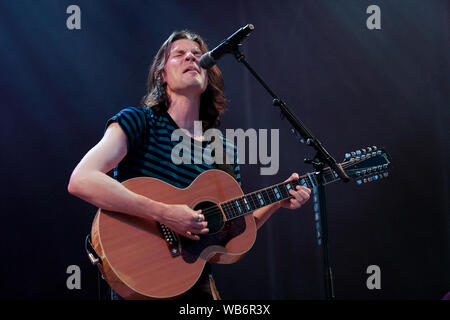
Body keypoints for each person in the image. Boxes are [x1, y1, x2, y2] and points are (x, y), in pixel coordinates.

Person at [68, 30, 311, 300]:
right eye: (179, 54)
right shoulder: (138, 122)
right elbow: (82, 179)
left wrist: (277, 200)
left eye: (198, 55)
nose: (191, 58)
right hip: (140, 272)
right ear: (161, 75)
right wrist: (165, 213)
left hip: (195, 285)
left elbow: (235, 224)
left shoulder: (223, 149)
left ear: (207, 76)